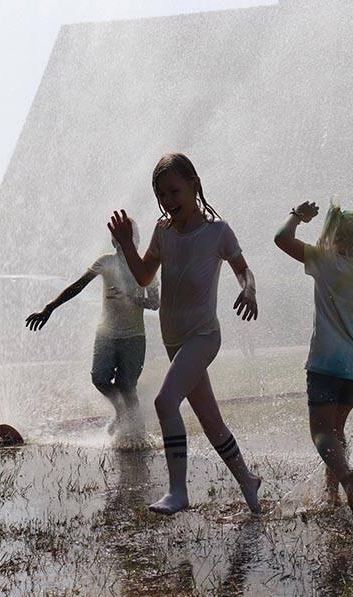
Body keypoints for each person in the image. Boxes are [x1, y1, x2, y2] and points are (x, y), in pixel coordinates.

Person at [108, 152, 262, 515]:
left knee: (165, 402)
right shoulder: (163, 232)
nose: (168, 201)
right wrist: (127, 244)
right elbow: (145, 276)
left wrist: (249, 290)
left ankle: (179, 491)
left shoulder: (217, 233)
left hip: (203, 336)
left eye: (174, 191)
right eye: (162, 195)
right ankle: (247, 480)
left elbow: (244, 270)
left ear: (194, 185)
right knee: (211, 422)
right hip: (175, 341)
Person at [274, 199, 353, 522]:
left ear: (333, 240)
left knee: (321, 432)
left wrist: (296, 216)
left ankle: (345, 475)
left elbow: (281, 239)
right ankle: (332, 494)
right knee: (336, 429)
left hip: (326, 364)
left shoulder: (326, 262)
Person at [26, 234, 160, 442]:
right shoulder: (106, 262)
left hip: (133, 336)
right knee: (99, 378)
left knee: (127, 386)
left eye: (125, 238)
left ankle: (138, 435)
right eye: (117, 239)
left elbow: (155, 303)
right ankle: (121, 412)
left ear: (136, 241)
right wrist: (49, 307)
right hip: (106, 333)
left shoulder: (145, 267)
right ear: (114, 243)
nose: (120, 244)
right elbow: (78, 286)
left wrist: (130, 297)